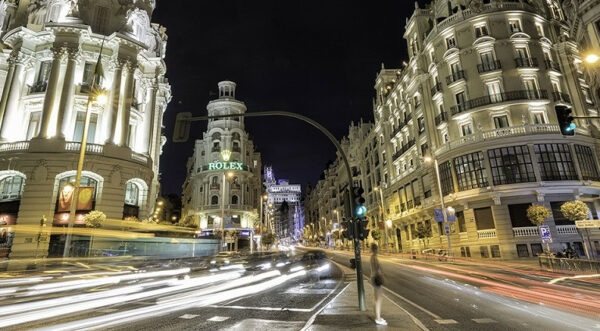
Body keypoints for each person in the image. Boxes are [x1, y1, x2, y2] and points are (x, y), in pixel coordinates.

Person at [370, 243, 386, 325]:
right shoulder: (375, 258)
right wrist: (381, 276)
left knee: (375, 298)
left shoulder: (372, 257)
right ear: (376, 249)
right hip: (376, 279)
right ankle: (378, 318)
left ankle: (377, 316)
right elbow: (377, 270)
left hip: (373, 278)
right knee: (379, 299)